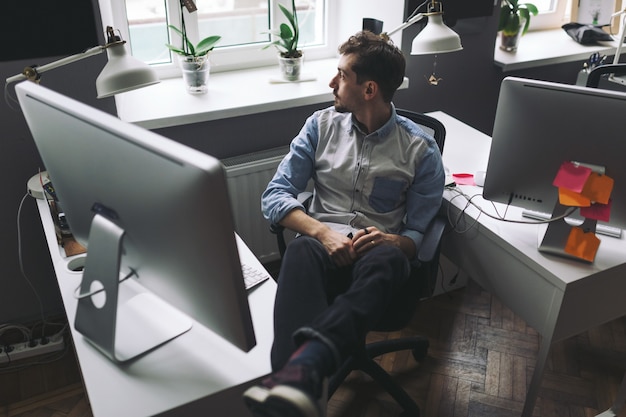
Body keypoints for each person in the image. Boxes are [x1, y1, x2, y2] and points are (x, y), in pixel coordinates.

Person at [243, 30, 445, 417]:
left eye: (341, 75)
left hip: (377, 268)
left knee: (390, 258)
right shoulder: (320, 127)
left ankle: (297, 375)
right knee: (303, 247)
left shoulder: (420, 149)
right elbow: (275, 195)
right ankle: (294, 379)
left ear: (369, 89)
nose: (332, 83)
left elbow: (419, 234)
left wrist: (394, 241)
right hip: (322, 254)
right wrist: (322, 232)